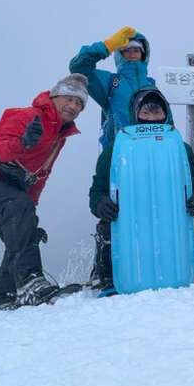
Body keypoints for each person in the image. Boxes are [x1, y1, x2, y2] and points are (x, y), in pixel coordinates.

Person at [0, 74, 88, 308]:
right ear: (54, 96)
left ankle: (4, 296)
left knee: (24, 231)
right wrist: (22, 144)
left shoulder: (59, 137)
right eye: (69, 98)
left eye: (79, 103)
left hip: (1, 185)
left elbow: (41, 174)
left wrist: (30, 215)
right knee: (20, 209)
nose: (73, 106)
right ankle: (31, 282)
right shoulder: (27, 116)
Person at [87, 87, 194, 290]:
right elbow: (97, 191)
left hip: (169, 225)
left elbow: (193, 185)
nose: (151, 118)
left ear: (166, 113)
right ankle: (105, 273)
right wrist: (101, 204)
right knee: (108, 230)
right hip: (128, 226)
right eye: (145, 112)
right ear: (135, 114)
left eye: (157, 112)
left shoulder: (181, 149)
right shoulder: (115, 149)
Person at [68, 26, 158, 287]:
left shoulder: (152, 85)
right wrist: (106, 46)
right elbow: (78, 67)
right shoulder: (110, 82)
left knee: (150, 211)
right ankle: (104, 272)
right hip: (118, 155)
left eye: (136, 50)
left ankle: (148, 266)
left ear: (144, 55)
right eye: (126, 50)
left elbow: (166, 121)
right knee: (112, 212)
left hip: (150, 158)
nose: (131, 54)